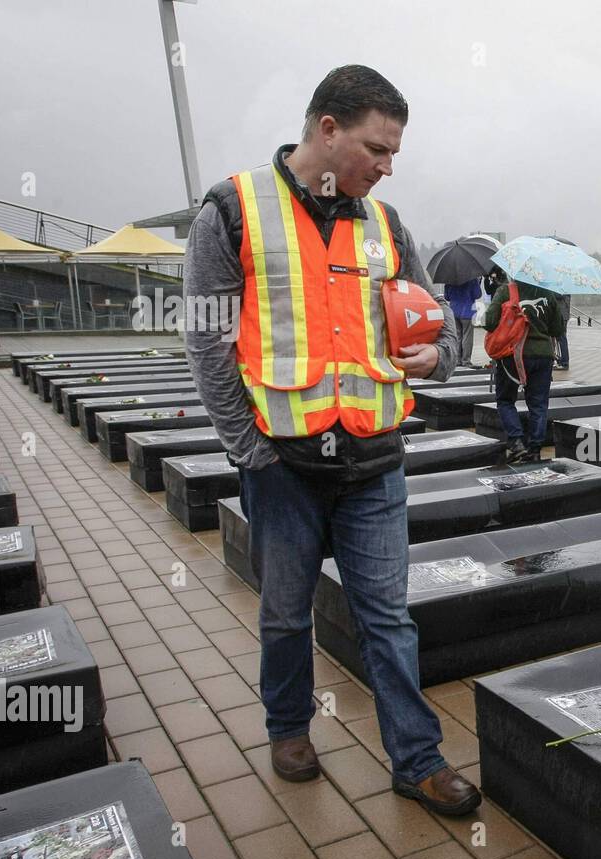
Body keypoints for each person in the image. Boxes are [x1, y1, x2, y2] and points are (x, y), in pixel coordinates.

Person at [182, 66, 482, 815]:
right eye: (378, 149)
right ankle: (289, 728)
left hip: (374, 461)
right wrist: (248, 451)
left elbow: (439, 322)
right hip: (282, 463)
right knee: (285, 613)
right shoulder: (233, 209)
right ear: (327, 130)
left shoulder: (386, 226)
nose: (387, 167)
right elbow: (206, 341)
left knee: (387, 618)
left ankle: (416, 761)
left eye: (393, 156)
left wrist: (436, 356)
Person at [484, 276, 566, 462]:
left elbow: (489, 322)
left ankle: (516, 442)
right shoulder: (548, 294)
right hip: (543, 356)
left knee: (505, 400)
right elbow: (558, 329)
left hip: (513, 354)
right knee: (538, 404)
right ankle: (535, 449)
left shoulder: (506, 290)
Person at [444, 277, 482, 366]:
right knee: (467, 336)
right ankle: (466, 360)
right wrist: (478, 283)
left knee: (457, 336)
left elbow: (447, 297)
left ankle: (457, 360)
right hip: (467, 312)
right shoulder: (472, 279)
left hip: (454, 311)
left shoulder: (449, 279)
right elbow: (477, 294)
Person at [554, 293, 572, 370]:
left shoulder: (564, 288)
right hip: (561, 315)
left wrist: (550, 292)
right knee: (559, 338)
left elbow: (559, 295)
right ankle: (561, 360)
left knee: (562, 339)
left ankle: (564, 362)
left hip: (562, 315)